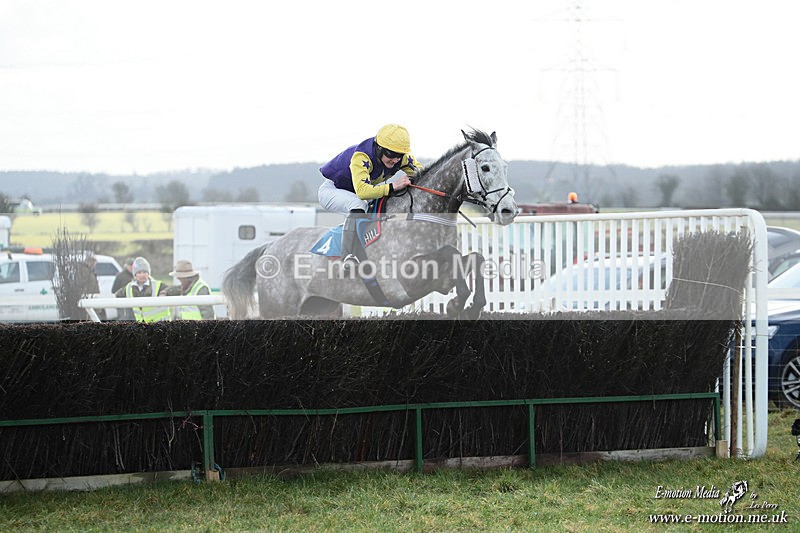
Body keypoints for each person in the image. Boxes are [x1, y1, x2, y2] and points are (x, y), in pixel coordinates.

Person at [318, 124, 422, 264]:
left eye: (399, 156)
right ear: (379, 148)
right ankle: (348, 255)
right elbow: (363, 192)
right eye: (391, 155)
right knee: (359, 203)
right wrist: (393, 186)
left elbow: (423, 173)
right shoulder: (361, 157)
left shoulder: (401, 158)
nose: (395, 160)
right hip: (332, 191)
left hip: (358, 192)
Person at [114, 256, 170, 322]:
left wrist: (164, 293)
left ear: (148, 273)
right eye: (139, 272)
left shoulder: (158, 285)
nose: (142, 275)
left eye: (144, 272)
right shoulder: (129, 288)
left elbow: (171, 289)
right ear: (135, 275)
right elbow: (116, 295)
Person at [78, 255, 106, 320]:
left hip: (93, 297)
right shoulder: (84, 271)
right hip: (89, 297)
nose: (94, 265)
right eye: (94, 263)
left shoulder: (90, 271)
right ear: (89, 262)